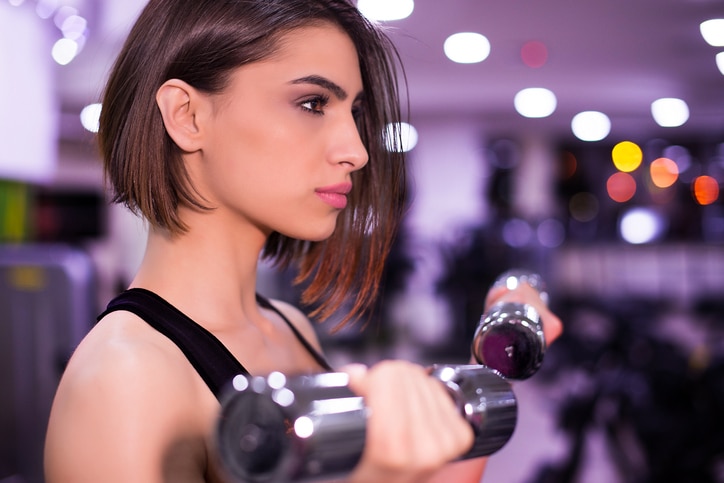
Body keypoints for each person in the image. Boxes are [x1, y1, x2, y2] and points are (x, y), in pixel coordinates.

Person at [44, 0, 563, 482]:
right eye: (313, 103)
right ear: (187, 115)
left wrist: (503, 348)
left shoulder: (286, 327)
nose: (357, 151)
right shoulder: (124, 378)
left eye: (353, 113)